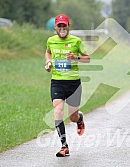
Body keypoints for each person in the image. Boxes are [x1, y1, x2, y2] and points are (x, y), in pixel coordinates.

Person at [44, 14, 90, 157]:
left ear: (69, 26)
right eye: (60, 26)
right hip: (57, 82)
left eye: (64, 25)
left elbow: (87, 58)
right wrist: (48, 62)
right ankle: (64, 146)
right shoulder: (51, 40)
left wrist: (75, 57)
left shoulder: (76, 41)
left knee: (72, 117)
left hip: (73, 83)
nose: (62, 28)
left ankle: (79, 119)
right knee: (57, 111)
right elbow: (48, 52)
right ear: (55, 27)